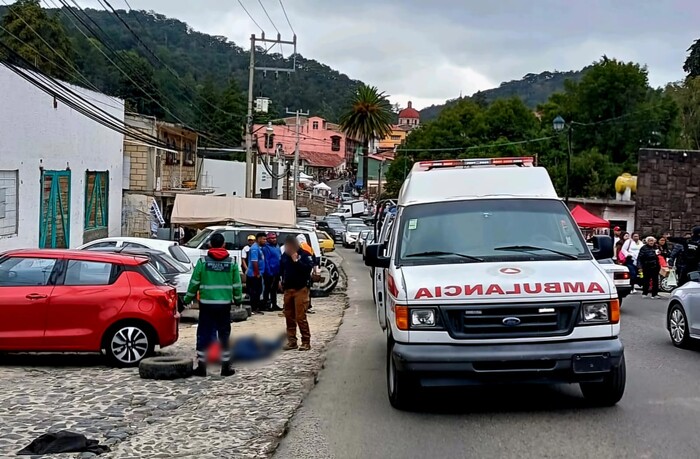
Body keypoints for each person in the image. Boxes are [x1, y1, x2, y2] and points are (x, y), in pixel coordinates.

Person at [183, 232, 243, 377]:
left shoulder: (202, 263)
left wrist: (186, 299)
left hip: (206, 305)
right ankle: (225, 368)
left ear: (210, 244)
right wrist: (238, 299)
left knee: (204, 334)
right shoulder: (232, 263)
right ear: (223, 245)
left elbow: (194, 283)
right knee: (224, 335)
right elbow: (237, 284)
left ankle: (202, 368)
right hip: (224, 306)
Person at [280, 235, 314, 351]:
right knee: (289, 316)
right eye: (286, 245)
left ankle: (306, 341)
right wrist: (280, 280)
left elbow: (307, 269)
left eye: (290, 245)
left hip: (301, 289)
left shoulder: (305, 255)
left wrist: (296, 260)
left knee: (300, 317)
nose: (288, 248)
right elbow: (282, 268)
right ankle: (292, 341)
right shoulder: (285, 256)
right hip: (288, 289)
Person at [246, 232, 267, 315]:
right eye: (263, 239)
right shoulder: (254, 248)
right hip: (254, 274)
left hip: (258, 273)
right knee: (254, 292)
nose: (265, 241)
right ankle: (253, 308)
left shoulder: (259, 248)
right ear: (258, 239)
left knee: (258, 291)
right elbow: (254, 262)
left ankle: (256, 308)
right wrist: (257, 273)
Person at [262, 232, 282, 312]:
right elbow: (266, 261)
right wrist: (269, 271)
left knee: (274, 289)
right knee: (267, 289)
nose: (274, 239)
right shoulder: (266, 248)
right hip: (269, 272)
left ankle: (274, 304)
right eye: (272, 238)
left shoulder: (277, 246)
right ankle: (266, 304)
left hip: (276, 271)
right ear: (268, 239)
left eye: (275, 238)